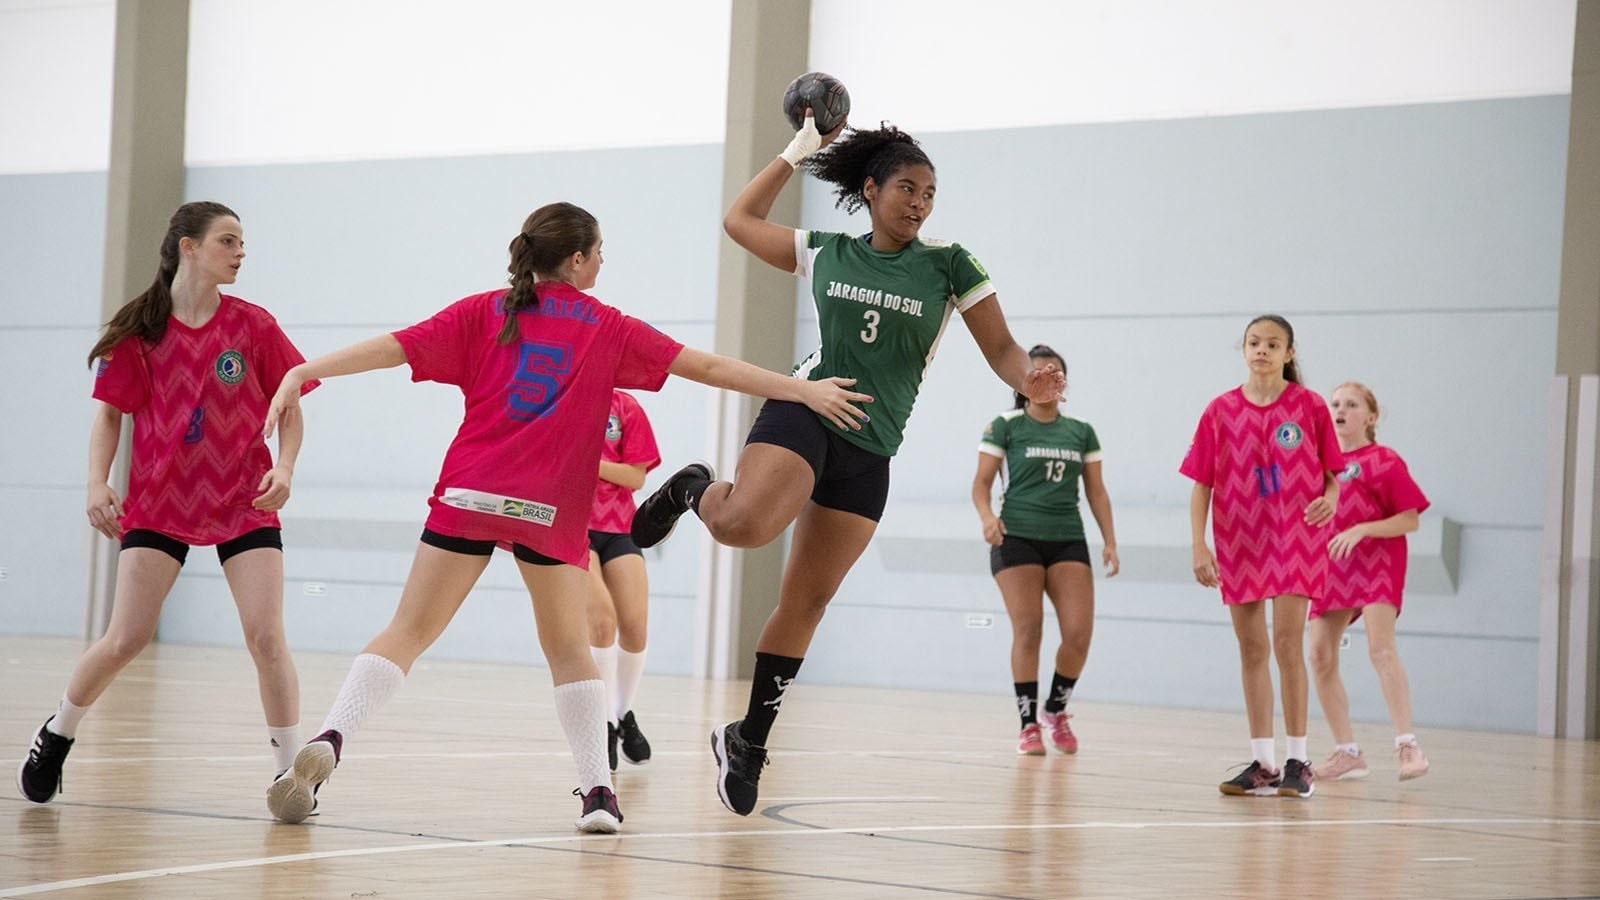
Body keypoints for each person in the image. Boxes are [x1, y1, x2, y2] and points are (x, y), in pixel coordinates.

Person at [261, 201, 870, 833]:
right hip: (545, 509)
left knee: (406, 632)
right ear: (577, 259)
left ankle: (331, 737)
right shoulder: (607, 325)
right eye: (600, 251)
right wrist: (803, 389)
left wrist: (305, 369)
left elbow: (394, 348)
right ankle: (599, 795)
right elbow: (709, 367)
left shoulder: (482, 311)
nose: (604, 261)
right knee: (570, 652)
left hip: (468, 493)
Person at [630, 115, 1064, 817]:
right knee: (743, 527)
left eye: (930, 192)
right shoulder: (826, 250)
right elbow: (739, 222)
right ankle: (693, 489)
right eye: (907, 188)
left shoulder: (951, 264)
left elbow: (1005, 351)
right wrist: (795, 153)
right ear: (870, 189)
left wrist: (1031, 378)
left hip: (872, 446)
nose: (919, 203)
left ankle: (748, 739)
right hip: (808, 408)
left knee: (807, 602)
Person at [17, 201, 314, 805]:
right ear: (188, 246)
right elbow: (109, 416)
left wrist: (284, 466)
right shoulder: (140, 331)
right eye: (228, 241)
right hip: (160, 502)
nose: (240, 252)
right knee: (125, 638)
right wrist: (97, 482)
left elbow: (290, 404)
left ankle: (292, 776)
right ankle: (57, 731)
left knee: (266, 637)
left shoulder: (253, 325)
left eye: (241, 242)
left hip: (244, 499)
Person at [1180, 314, 1342, 799]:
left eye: (1273, 344)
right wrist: (1199, 544)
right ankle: (1264, 763)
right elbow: (1201, 483)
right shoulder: (1220, 410)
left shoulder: (1310, 406)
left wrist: (1331, 498)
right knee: (1252, 649)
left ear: (1289, 353)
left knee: (1288, 644)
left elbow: (1333, 474)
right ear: (1244, 349)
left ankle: (1298, 761)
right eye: (1254, 342)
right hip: (1240, 541)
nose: (1262, 351)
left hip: (1296, 538)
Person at [972, 344, 1118, 757]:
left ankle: (1055, 709)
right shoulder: (1005, 425)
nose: (1046, 377)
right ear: (1023, 382)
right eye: (1036, 372)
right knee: (1029, 627)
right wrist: (987, 516)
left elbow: (1097, 491)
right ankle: (1028, 724)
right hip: (1016, 537)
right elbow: (981, 483)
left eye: (1054, 372)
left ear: (1063, 382)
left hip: (1067, 537)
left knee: (1078, 634)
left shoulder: (1081, 431)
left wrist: (1109, 540)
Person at [1308, 382, 1431, 781]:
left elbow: (1409, 520)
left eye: (1351, 404)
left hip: (1377, 561)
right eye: (1335, 404)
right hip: (1332, 564)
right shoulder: (1319, 464)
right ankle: (1347, 753)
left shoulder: (1384, 460)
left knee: (1380, 650)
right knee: (1319, 656)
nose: (1340, 410)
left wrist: (1362, 529)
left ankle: (1408, 746)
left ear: (1371, 417)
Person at [587, 389, 661, 771]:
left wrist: (588, 462)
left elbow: (635, 475)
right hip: (572, 526)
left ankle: (622, 713)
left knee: (634, 625)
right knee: (602, 621)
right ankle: (602, 723)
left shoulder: (624, 406)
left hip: (619, 526)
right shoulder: (557, 399)